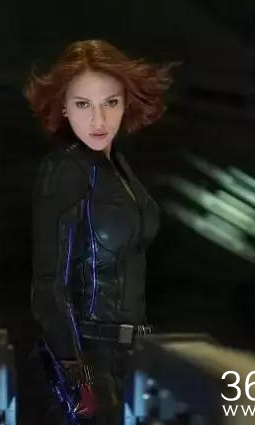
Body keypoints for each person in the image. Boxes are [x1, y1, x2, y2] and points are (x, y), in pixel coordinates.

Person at [23, 39, 178, 424]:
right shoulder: (65, 170)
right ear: (63, 106)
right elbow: (49, 287)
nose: (98, 120)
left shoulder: (119, 166)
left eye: (110, 103)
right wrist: (80, 380)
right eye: (83, 104)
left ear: (125, 103)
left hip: (130, 356)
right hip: (87, 358)